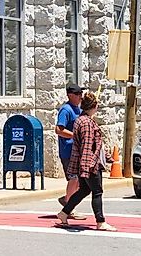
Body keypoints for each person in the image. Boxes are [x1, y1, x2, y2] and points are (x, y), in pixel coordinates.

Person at [57, 90, 117, 231]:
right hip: (90, 164)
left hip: (83, 163)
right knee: (97, 191)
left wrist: (108, 158)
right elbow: (87, 146)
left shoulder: (80, 120)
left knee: (83, 190)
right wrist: (88, 166)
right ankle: (100, 221)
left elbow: (95, 146)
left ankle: (64, 213)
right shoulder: (87, 123)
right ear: (94, 106)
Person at [56, 84, 85, 218]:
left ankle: (67, 199)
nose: (80, 97)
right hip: (68, 150)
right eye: (78, 94)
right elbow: (59, 130)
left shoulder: (78, 110)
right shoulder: (66, 110)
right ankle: (69, 206)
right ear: (70, 95)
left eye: (81, 94)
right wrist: (75, 135)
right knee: (74, 179)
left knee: (81, 181)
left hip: (78, 151)